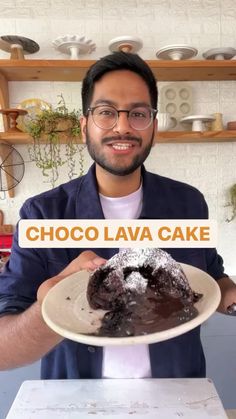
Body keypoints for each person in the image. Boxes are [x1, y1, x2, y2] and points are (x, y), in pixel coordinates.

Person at [0, 52, 235, 379]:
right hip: (78, 402)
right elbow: (4, 349)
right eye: (106, 112)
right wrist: (55, 302)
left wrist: (232, 299)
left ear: (153, 126)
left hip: (178, 397)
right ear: (84, 127)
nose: (123, 126)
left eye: (138, 113)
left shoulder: (188, 204)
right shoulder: (42, 215)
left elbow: (213, 280)